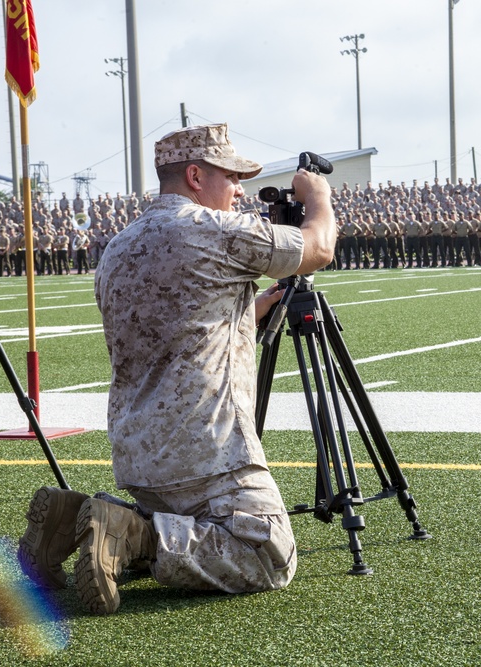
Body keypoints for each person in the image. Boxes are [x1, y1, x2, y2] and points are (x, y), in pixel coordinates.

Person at [17, 123, 336, 615]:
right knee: (269, 555)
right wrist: (318, 198)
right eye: (230, 176)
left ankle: (79, 517)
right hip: (206, 453)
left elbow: (182, 326)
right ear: (194, 175)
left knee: (188, 521)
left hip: (140, 457)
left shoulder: (119, 248)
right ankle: (136, 535)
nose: (239, 189)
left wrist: (255, 308)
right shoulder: (213, 230)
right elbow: (318, 247)